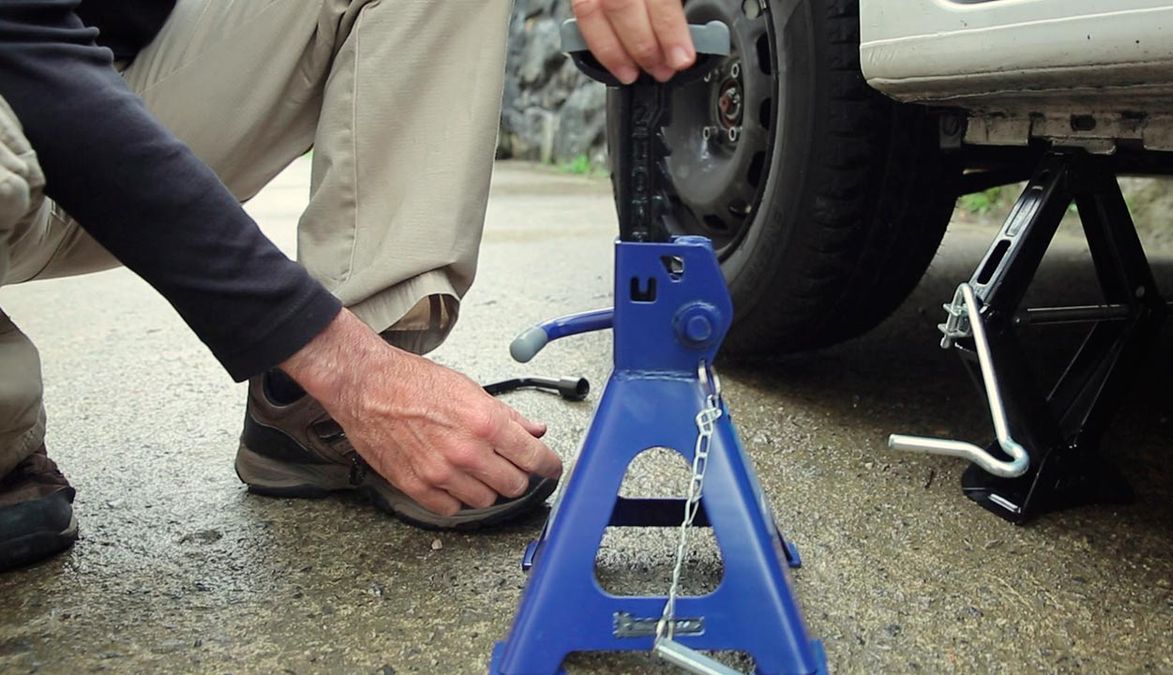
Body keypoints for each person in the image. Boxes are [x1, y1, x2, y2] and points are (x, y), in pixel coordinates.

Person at [0, 0, 698, 572]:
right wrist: (349, 367)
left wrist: (343, 359)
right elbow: (24, 52)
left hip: (113, 67)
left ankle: (310, 416)